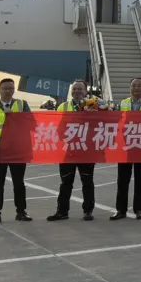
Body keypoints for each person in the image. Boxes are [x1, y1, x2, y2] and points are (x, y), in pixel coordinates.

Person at [47, 80, 97, 222]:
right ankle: (62, 211)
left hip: (86, 150)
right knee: (65, 183)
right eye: (74, 89)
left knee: (87, 182)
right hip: (67, 151)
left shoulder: (93, 104)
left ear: (86, 91)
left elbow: (100, 124)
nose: (77, 91)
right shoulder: (63, 106)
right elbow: (57, 126)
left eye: (80, 89)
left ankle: (88, 211)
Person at [0, 77, 32, 225]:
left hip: (18, 151)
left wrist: (15, 118)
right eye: (5, 88)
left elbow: (32, 124)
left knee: (19, 183)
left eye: (11, 88)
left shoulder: (22, 104)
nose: (8, 91)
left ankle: (21, 212)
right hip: (0, 152)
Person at [112, 77, 141, 220]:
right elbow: (116, 123)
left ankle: (139, 210)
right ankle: (120, 210)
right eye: (134, 86)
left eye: (139, 86)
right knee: (122, 180)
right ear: (130, 88)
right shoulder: (122, 104)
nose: (136, 88)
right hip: (125, 148)